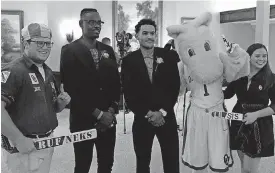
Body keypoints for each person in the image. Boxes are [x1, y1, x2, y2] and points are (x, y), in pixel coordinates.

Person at [1, 23, 71, 173]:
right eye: (39, 43)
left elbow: (50, 108)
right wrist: (19, 139)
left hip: (47, 141)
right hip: (22, 146)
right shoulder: (13, 70)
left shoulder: (48, 72)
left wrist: (60, 104)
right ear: (25, 43)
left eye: (48, 43)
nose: (45, 47)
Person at [60, 8, 121, 173]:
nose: (96, 26)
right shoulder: (69, 50)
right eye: (91, 22)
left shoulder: (107, 50)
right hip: (82, 119)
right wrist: (98, 114)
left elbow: (116, 83)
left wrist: (111, 110)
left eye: (99, 22)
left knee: (107, 164)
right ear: (81, 24)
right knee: (82, 165)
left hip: (108, 120)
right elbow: (71, 89)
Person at [121, 19, 181, 173]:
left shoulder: (167, 55)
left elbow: (174, 87)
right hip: (143, 118)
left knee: (171, 160)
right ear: (137, 36)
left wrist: (162, 112)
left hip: (167, 117)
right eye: (145, 33)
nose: (149, 36)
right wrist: (148, 113)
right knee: (142, 161)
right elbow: (129, 93)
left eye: (152, 33)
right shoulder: (128, 60)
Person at [224, 43, 275, 173]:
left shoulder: (271, 78)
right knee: (243, 164)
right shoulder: (239, 76)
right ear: (248, 57)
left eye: (264, 56)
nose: (262, 59)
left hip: (259, 125)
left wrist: (256, 115)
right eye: (257, 55)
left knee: (249, 168)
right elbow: (227, 95)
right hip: (238, 122)